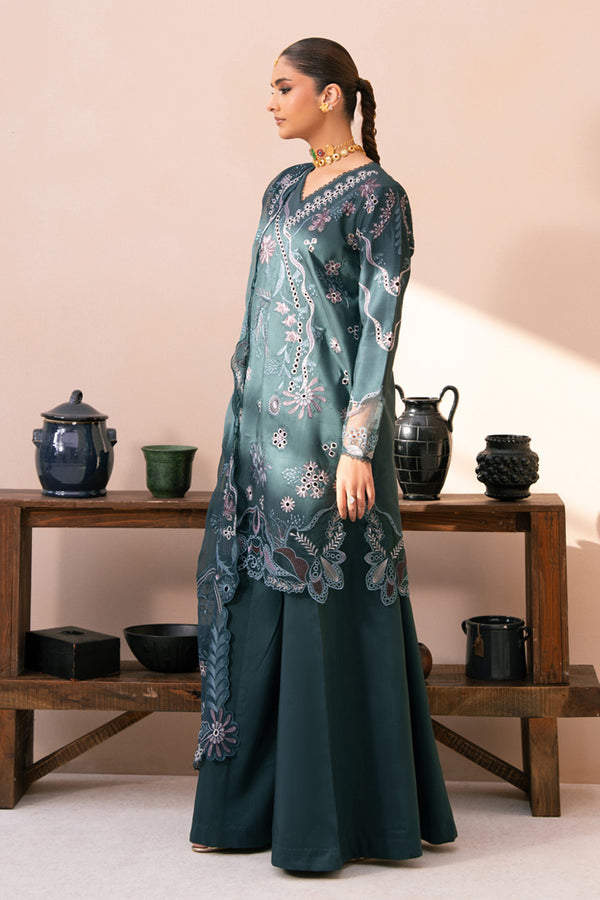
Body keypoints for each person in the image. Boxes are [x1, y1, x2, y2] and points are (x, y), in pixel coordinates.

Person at [189, 37, 457, 872]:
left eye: (284, 87)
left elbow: (380, 325)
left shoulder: (380, 198)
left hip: (331, 439)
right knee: (253, 603)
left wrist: (357, 446)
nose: (270, 101)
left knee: (326, 607)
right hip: (260, 431)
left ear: (330, 95)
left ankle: (340, 824)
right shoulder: (281, 187)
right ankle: (244, 813)